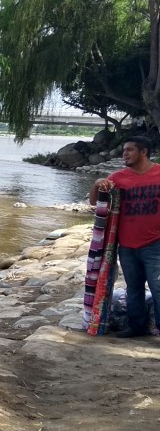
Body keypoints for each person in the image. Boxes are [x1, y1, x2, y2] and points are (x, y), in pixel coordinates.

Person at [88, 135, 160, 337]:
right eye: (124, 150)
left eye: (129, 150)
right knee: (134, 288)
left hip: (156, 244)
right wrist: (97, 183)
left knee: (158, 288)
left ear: (143, 152)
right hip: (127, 246)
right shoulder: (118, 178)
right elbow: (95, 202)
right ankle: (136, 328)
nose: (124, 154)